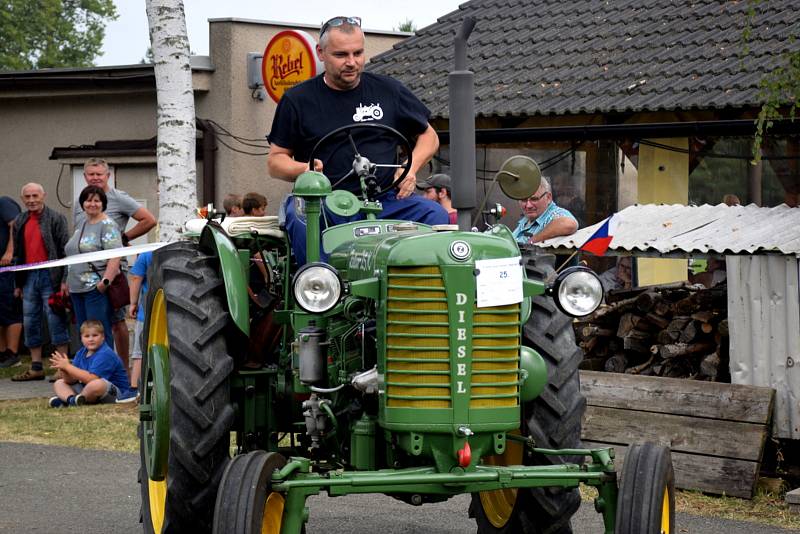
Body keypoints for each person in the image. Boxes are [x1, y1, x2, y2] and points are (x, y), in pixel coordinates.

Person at [267, 15, 448, 264]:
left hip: (385, 201)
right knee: (300, 218)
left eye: (358, 53)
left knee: (435, 213)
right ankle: (319, 290)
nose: (352, 62)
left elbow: (430, 136)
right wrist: (306, 170)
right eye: (341, 55)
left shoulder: (389, 91)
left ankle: (416, 293)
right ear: (321, 53)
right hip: (326, 203)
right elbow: (275, 161)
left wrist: (410, 169)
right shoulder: (297, 100)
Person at [75, 158, 157, 373]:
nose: (95, 178)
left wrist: (124, 237)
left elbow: (148, 220)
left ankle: (122, 367)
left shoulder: (118, 198)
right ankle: (92, 366)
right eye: (91, 174)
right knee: (95, 324)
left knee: (116, 321)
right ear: (85, 177)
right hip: (82, 274)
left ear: (107, 175)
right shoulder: (81, 201)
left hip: (110, 273)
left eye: (99, 174)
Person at [11, 183, 71, 381]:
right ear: (22, 199)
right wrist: (17, 284)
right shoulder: (19, 220)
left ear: (43, 196)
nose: (31, 200)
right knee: (30, 322)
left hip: (51, 276)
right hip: (28, 277)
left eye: (35, 195)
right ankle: (36, 367)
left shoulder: (56, 218)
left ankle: (63, 367)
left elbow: (65, 252)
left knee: (55, 319)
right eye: (27, 196)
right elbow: (17, 255)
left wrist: (64, 280)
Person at [66, 185, 122, 349]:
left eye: (96, 201)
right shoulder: (82, 223)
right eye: (88, 200)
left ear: (103, 203)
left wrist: (104, 283)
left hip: (94, 290)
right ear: (82, 203)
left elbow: (115, 255)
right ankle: (87, 372)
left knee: (98, 333)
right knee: (84, 334)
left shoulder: (107, 224)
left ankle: (104, 372)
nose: (92, 204)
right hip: (76, 289)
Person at [48, 320, 133, 407]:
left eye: (95, 335)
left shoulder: (105, 353)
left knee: (97, 384)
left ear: (103, 337)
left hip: (115, 393)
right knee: (59, 383)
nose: (91, 339)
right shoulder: (81, 352)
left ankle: (66, 401)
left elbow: (92, 379)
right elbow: (71, 380)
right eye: (87, 336)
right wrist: (64, 369)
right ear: (81, 338)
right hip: (89, 390)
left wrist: (68, 367)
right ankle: (72, 400)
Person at [512, 176, 578, 244]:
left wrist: (531, 241)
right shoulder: (525, 220)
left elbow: (569, 224)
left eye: (534, 199)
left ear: (548, 197)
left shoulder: (552, 214)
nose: (528, 205)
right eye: (524, 200)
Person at [0, 196, 23, 368]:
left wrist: (10, 251)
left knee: (9, 308)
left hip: (6, 266)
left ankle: (13, 353)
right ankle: (2, 354)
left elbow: (15, 225)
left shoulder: (4, 203)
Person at [128, 250, 153, 398]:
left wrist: (133, 303)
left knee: (139, 352)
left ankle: (134, 388)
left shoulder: (145, 255)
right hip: (168, 312)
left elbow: (136, 278)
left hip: (146, 313)